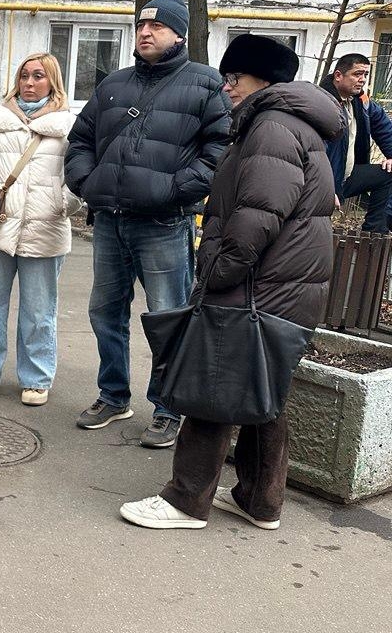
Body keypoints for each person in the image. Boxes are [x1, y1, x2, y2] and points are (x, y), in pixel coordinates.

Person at [120, 34, 343, 529]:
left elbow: (257, 216)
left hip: (253, 287)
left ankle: (185, 500)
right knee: (265, 393)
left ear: (263, 80)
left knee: (213, 384)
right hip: (283, 291)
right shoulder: (295, 127)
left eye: (234, 77)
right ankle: (260, 501)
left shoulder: (272, 128)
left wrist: (216, 273)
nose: (227, 87)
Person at [64, 0, 231, 448]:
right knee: (105, 312)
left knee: (167, 317)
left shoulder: (205, 84)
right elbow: (80, 140)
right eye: (141, 25)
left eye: (156, 27)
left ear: (179, 33)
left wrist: (174, 190)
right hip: (110, 221)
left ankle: (168, 408)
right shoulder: (114, 84)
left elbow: (221, 150)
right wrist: (87, 182)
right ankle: (113, 395)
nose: (144, 32)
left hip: (164, 224)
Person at [0, 53, 80, 406]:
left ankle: (37, 378)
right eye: (24, 75)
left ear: (52, 81)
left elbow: (80, 173)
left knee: (40, 311)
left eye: (38, 76)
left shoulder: (68, 126)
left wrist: (63, 203)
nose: (29, 82)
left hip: (46, 230)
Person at [321, 53, 392, 233]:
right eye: (357, 74)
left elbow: (386, 130)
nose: (362, 80)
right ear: (338, 76)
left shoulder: (362, 103)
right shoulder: (320, 102)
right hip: (321, 180)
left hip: (348, 177)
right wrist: (324, 187)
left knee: (388, 174)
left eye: (365, 75)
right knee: (316, 231)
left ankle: (373, 238)